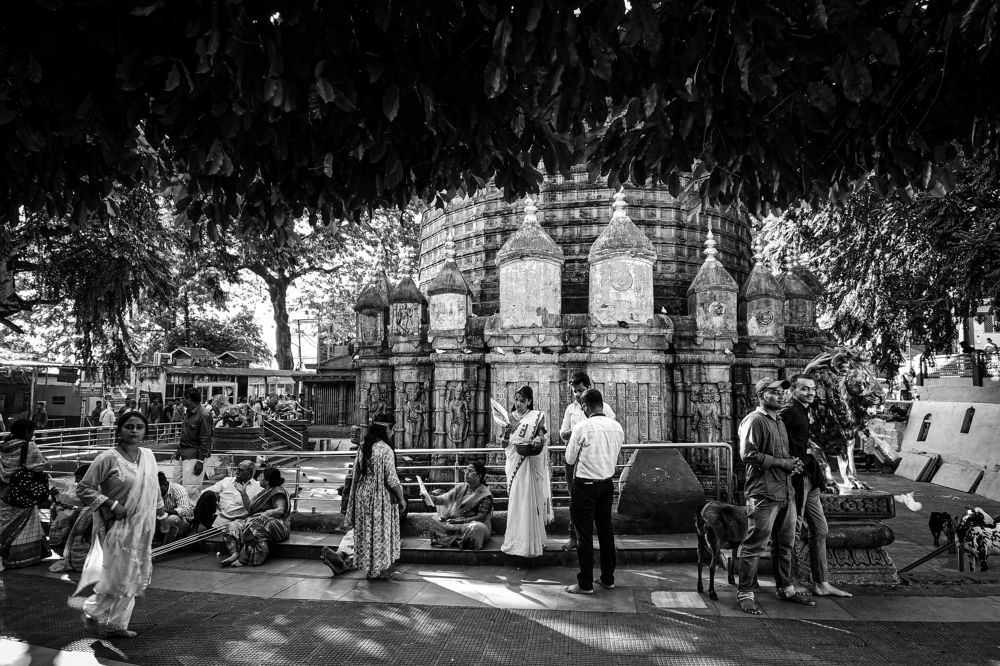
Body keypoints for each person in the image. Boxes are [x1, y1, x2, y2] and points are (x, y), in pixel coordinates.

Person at [72, 411, 166, 639]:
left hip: (143, 526)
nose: (134, 431)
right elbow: (83, 488)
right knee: (119, 574)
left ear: (145, 431)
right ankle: (91, 610)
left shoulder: (148, 457)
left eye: (139, 427)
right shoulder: (108, 458)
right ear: (119, 430)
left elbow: (154, 491)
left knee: (133, 573)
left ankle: (117, 625)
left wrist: (162, 517)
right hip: (116, 525)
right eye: (129, 426)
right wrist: (112, 504)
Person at [736, 378, 815, 615]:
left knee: (786, 544)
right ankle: (745, 592)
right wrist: (782, 463)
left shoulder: (779, 421)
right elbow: (748, 454)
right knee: (755, 544)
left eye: (783, 392)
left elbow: (782, 455)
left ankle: (786, 587)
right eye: (774, 392)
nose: (781, 396)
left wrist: (792, 465)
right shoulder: (755, 420)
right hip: (763, 492)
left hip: (785, 490)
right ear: (761, 395)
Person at [779, 374, 851, 598]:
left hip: (811, 476)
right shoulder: (789, 410)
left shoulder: (807, 409)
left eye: (812, 388)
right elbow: (777, 437)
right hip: (797, 476)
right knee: (792, 530)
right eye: (804, 389)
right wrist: (787, 462)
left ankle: (821, 582)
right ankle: (789, 582)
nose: (810, 392)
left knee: (820, 529)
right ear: (793, 391)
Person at [564, 389, 624, 595]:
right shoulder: (617, 428)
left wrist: (571, 485)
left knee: (584, 535)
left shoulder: (583, 427)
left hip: (585, 485)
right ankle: (608, 578)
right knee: (606, 531)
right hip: (607, 484)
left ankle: (585, 583)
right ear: (601, 404)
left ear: (587, 407)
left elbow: (570, 459)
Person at [558, 372, 616, 551]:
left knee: (597, 507)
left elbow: (610, 428)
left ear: (588, 387)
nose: (577, 394)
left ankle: (590, 539)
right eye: (574, 391)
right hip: (575, 460)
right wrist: (577, 430)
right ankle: (574, 537)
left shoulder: (603, 408)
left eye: (580, 390)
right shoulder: (571, 409)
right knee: (574, 499)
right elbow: (562, 434)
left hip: (596, 460)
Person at [344, 413, 406, 579]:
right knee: (379, 533)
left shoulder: (364, 446)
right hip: (380, 496)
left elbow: (356, 473)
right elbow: (392, 479)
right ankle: (377, 570)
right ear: (386, 428)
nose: (393, 433)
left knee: (366, 532)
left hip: (363, 493)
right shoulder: (385, 450)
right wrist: (401, 499)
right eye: (392, 429)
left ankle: (370, 569)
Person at [500, 385, 553, 558]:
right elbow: (504, 445)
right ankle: (516, 542)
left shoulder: (536, 417)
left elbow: (542, 436)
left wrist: (539, 439)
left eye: (522, 400)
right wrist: (507, 434)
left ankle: (532, 541)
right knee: (517, 500)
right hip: (515, 462)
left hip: (530, 462)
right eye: (516, 400)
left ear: (529, 401)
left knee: (531, 501)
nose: (518, 403)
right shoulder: (508, 418)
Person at [0, 419, 50, 570]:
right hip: (24, 494)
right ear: (28, 432)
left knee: (4, 524)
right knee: (26, 526)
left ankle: (5, 556)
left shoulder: (3, 447)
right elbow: (39, 466)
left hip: (5, 494)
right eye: (32, 432)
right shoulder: (30, 446)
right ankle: (25, 558)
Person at [218, 467, 291, 567]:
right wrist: (243, 493)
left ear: (267, 481)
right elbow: (250, 509)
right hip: (257, 519)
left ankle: (243, 559)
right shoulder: (263, 492)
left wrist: (267, 513)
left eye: (262, 478)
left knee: (253, 528)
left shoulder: (277, 491)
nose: (259, 480)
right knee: (232, 525)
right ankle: (234, 553)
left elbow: (281, 509)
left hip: (276, 524)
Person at [422, 462, 494, 549]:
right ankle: (459, 541)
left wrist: (461, 521)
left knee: (477, 528)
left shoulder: (484, 494)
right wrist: (429, 497)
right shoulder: (461, 487)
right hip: (454, 522)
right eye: (466, 470)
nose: (466, 473)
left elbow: (481, 517)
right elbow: (443, 499)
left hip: (470, 525)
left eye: (470, 471)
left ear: (479, 476)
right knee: (433, 520)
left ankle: (450, 539)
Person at [197, 460, 263, 528]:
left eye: (241, 470)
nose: (237, 473)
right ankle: (195, 524)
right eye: (237, 470)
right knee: (207, 494)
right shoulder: (227, 480)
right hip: (216, 517)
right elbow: (206, 491)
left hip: (236, 523)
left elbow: (255, 509)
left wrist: (243, 494)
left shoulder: (258, 489)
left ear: (250, 472)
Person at [173, 388, 213, 497]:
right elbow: (184, 435)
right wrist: (177, 453)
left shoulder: (204, 415)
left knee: (191, 490)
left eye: (183, 398)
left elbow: (206, 440)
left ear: (189, 399)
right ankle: (179, 512)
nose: (181, 401)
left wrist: (200, 461)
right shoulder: (188, 413)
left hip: (194, 457)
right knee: (176, 487)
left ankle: (191, 512)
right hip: (182, 455)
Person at [157, 471, 194, 545]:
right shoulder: (153, 491)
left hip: (184, 522)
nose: (155, 491)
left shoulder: (177, 489)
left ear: (165, 484)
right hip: (164, 523)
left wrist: (165, 512)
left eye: (157, 488)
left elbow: (185, 509)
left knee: (172, 519)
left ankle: (165, 548)